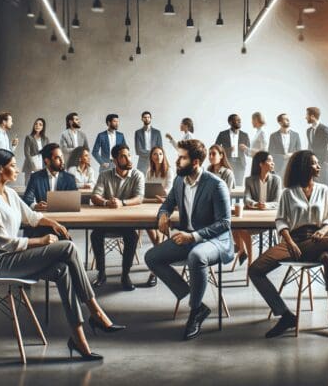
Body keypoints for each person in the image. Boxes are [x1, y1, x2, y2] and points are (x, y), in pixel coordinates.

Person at [0, 149, 125, 362]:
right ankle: (96, 312)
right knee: (68, 248)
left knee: (62, 270)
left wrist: (54, 223)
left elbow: (32, 216)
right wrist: (41, 241)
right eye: (13, 165)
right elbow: (6, 243)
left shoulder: (10, 194)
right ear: (0, 168)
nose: (17, 169)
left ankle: (79, 340)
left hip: (11, 256)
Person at [249, 150, 328, 340]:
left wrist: (323, 230)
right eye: (315, 163)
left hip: (318, 241)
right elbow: (281, 220)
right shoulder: (288, 193)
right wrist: (289, 242)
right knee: (255, 270)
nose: (319, 166)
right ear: (304, 167)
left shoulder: (323, 190)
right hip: (293, 241)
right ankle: (286, 315)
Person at [145, 139, 234, 341]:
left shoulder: (216, 185)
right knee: (152, 257)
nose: (177, 161)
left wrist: (193, 236)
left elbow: (224, 224)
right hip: (188, 238)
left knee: (196, 256)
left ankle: (194, 312)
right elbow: (167, 203)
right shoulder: (179, 180)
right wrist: (163, 215)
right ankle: (200, 306)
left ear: (195, 162)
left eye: (182, 158)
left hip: (215, 240)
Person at [90, 144, 145, 291]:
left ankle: (125, 275)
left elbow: (139, 198)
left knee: (132, 237)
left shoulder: (138, 175)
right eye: (123, 156)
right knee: (95, 235)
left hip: (127, 222)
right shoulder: (104, 175)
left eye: (129, 155)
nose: (128, 159)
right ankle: (101, 274)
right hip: (106, 221)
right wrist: (106, 202)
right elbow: (94, 196)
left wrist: (122, 203)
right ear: (115, 160)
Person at [232, 152, 282, 268]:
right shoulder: (249, 180)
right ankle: (244, 252)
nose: (273, 163)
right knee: (235, 228)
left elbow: (277, 201)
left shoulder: (276, 180)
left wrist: (266, 205)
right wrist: (255, 204)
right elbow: (247, 199)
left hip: (268, 218)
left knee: (241, 230)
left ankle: (248, 259)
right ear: (261, 164)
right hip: (253, 216)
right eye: (269, 161)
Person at [143, 146, 173, 287]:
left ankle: (153, 272)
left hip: (164, 205)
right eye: (155, 154)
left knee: (159, 229)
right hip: (151, 203)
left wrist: (161, 196)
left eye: (160, 153)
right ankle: (159, 255)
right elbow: (146, 189)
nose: (158, 156)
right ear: (151, 157)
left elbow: (168, 190)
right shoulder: (149, 171)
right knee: (145, 223)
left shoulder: (169, 171)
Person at [22, 143, 77, 211]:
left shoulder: (70, 178)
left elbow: (74, 203)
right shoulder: (35, 177)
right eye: (57, 158)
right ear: (47, 160)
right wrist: (35, 206)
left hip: (65, 215)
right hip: (44, 214)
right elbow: (27, 199)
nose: (62, 161)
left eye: (62, 156)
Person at [215, 114, 250, 186]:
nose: (239, 121)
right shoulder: (222, 134)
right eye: (237, 120)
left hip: (240, 164)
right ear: (230, 122)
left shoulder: (245, 135)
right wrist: (227, 150)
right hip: (227, 163)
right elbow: (216, 148)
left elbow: (248, 153)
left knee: (239, 185)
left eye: (240, 120)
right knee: (225, 184)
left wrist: (246, 149)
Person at [305, 107, 328, 186]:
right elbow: (310, 146)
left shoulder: (324, 129)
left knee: (325, 186)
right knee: (313, 186)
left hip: (323, 163)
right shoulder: (308, 131)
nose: (305, 117)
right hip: (311, 164)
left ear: (312, 116)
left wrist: (327, 160)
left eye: (307, 115)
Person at [268, 113, 301, 177]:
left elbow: (299, 152)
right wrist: (283, 157)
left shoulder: (296, 135)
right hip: (278, 167)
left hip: (293, 166)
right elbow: (271, 153)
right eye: (285, 119)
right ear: (280, 122)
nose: (288, 120)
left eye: (288, 119)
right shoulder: (273, 136)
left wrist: (291, 154)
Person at [22, 118, 49, 183]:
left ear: (43, 127)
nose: (37, 126)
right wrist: (33, 166)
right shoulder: (29, 137)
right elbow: (27, 153)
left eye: (40, 124)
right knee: (29, 184)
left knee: (41, 184)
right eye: (36, 124)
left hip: (42, 164)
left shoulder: (46, 139)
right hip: (30, 164)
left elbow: (47, 152)